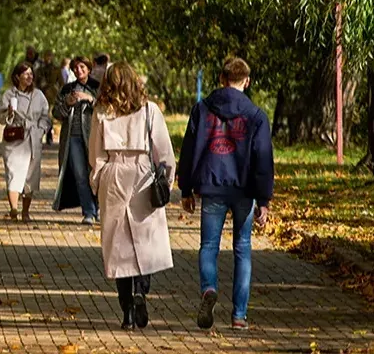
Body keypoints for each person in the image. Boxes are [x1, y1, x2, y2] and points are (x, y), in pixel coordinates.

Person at [176, 56, 275, 331]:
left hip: (211, 186)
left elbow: (189, 150)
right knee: (242, 249)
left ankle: (209, 288)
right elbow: (263, 159)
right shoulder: (256, 116)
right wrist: (264, 200)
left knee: (209, 246)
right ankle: (239, 316)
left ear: (221, 79)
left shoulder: (203, 109)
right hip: (244, 190)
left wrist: (186, 188)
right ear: (247, 81)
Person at [90, 61, 176, 330]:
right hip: (142, 174)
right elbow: (164, 152)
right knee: (145, 241)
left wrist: (98, 182)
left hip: (114, 172)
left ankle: (127, 310)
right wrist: (166, 183)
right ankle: (142, 290)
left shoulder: (102, 112)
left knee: (119, 248)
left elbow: (96, 153)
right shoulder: (150, 110)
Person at [0, 62, 50, 221]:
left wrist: (41, 130)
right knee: (13, 173)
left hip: (33, 138)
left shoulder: (39, 95)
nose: (29, 76)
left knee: (29, 176)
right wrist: (9, 112)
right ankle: (14, 208)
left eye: (31, 74)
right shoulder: (9, 95)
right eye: (25, 74)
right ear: (17, 77)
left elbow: (45, 117)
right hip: (15, 138)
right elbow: (0, 118)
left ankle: (25, 212)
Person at [53, 56, 101, 223]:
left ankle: (100, 208)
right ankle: (88, 212)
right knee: (80, 175)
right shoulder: (67, 89)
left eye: (82, 67)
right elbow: (56, 113)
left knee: (96, 172)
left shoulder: (97, 87)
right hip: (72, 137)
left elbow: (106, 109)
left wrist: (89, 99)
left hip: (95, 136)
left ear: (88, 68)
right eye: (75, 68)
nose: (79, 71)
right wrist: (67, 103)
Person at [36, 51, 63, 145]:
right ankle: (41, 134)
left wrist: (58, 92)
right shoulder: (40, 70)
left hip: (52, 96)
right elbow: (35, 83)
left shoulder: (56, 69)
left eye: (50, 56)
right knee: (41, 117)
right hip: (41, 96)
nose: (48, 59)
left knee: (49, 117)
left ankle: (49, 135)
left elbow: (61, 83)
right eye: (46, 56)